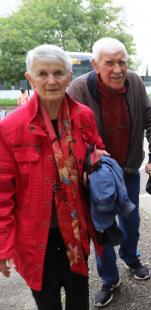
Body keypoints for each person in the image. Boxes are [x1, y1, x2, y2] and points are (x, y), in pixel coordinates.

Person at [0, 44, 106, 309]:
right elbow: (2, 192)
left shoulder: (84, 117)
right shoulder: (11, 127)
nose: (51, 80)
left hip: (76, 230)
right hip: (36, 238)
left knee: (79, 299)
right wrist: (3, 247)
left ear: (69, 77)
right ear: (30, 78)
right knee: (47, 303)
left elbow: (97, 152)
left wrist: (98, 165)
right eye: (42, 73)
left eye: (58, 73)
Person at [67, 37, 151, 307]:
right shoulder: (77, 89)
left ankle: (132, 258)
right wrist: (87, 156)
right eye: (109, 63)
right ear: (95, 64)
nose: (118, 69)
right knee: (102, 227)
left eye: (122, 61)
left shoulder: (134, 83)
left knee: (131, 222)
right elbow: (67, 133)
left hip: (129, 169)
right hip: (95, 176)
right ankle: (109, 278)